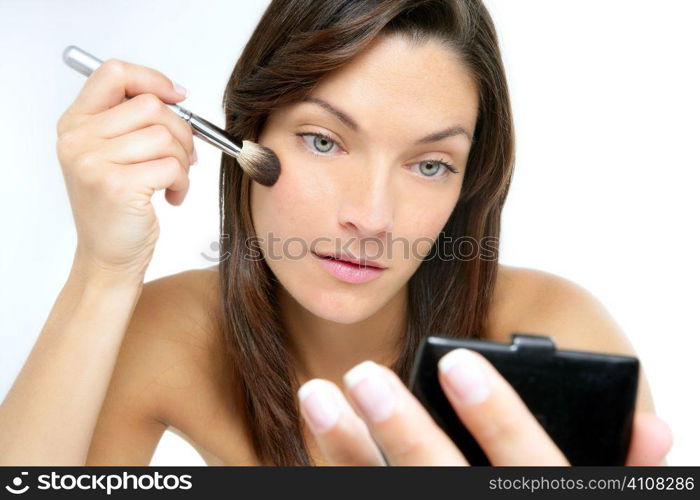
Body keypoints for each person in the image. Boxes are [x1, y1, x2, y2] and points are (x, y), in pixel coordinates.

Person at [0, 0, 672, 466]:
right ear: (249, 136)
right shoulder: (172, 335)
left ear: (468, 186)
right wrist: (102, 269)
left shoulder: (560, 336)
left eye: (430, 163)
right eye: (324, 141)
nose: (372, 217)